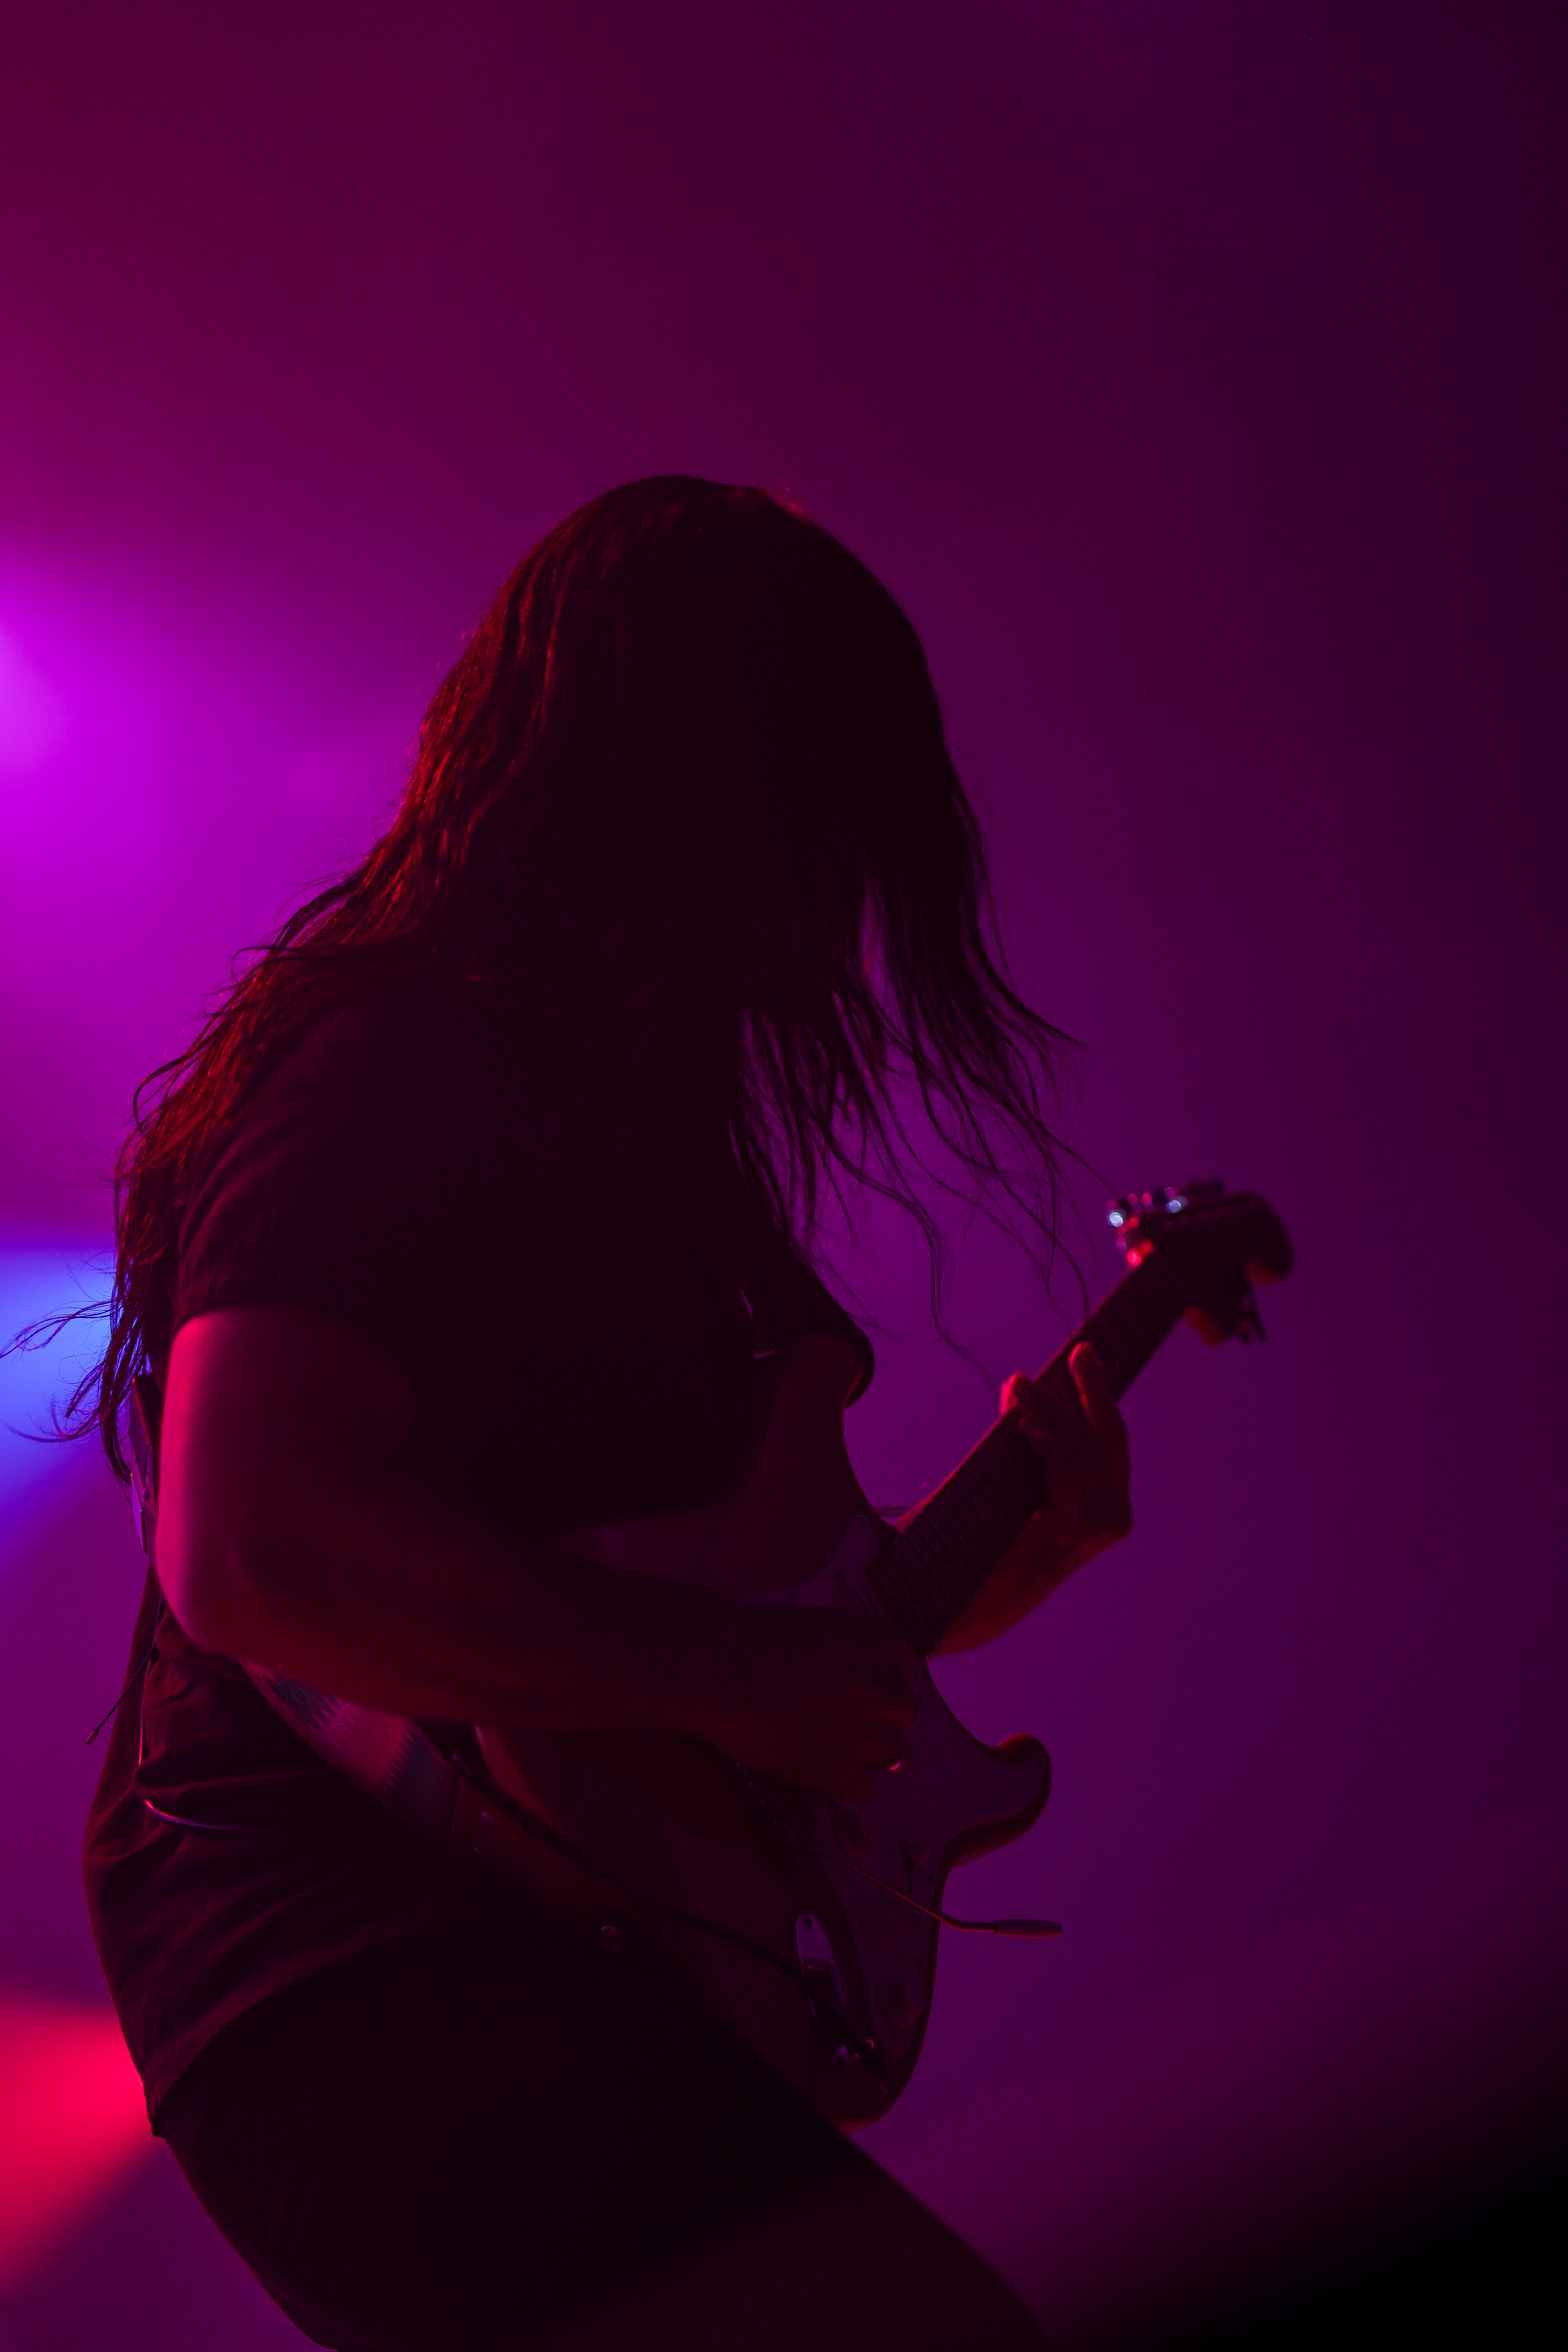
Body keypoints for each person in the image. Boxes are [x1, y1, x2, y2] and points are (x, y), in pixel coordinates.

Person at [79, 478, 1131, 2351]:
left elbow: (701, 1626)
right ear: (697, 786)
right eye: (818, 823)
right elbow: (250, 1547)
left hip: (543, 1954)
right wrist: (727, 1682)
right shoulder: (395, 1067)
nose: (837, 914)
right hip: (358, 1958)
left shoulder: (629, 1133)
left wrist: (988, 1566)